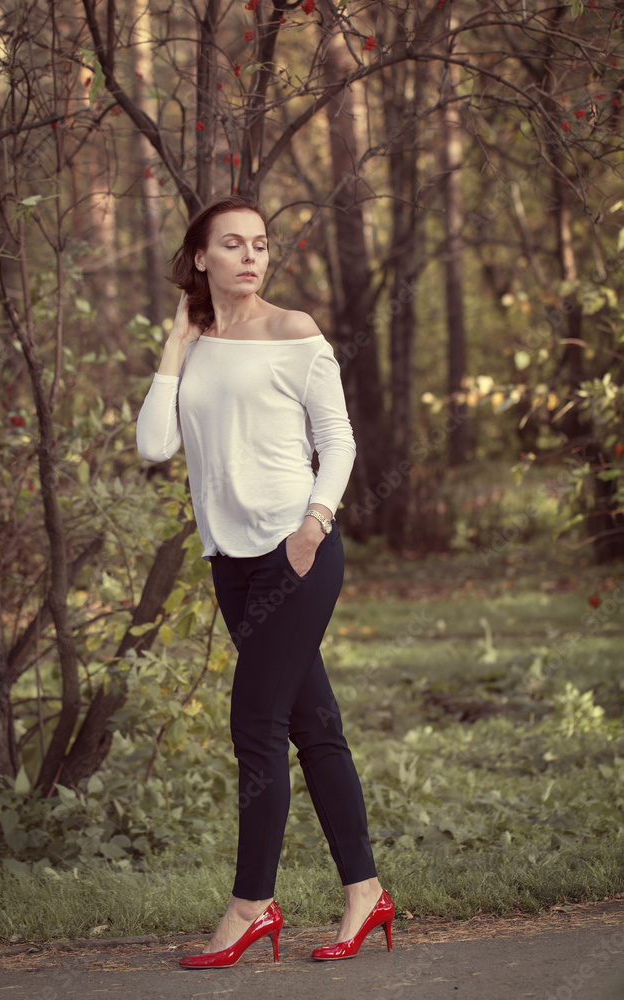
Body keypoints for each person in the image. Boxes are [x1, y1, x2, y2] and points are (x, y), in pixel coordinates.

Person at [136, 195, 394, 968]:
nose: (251, 256)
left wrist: (314, 524)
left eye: (260, 244)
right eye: (232, 244)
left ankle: (251, 907)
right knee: (313, 728)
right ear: (201, 257)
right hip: (231, 566)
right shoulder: (198, 342)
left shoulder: (295, 332)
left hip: (296, 551)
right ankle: (365, 895)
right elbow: (154, 444)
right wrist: (178, 341)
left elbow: (338, 442)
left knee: (255, 723)